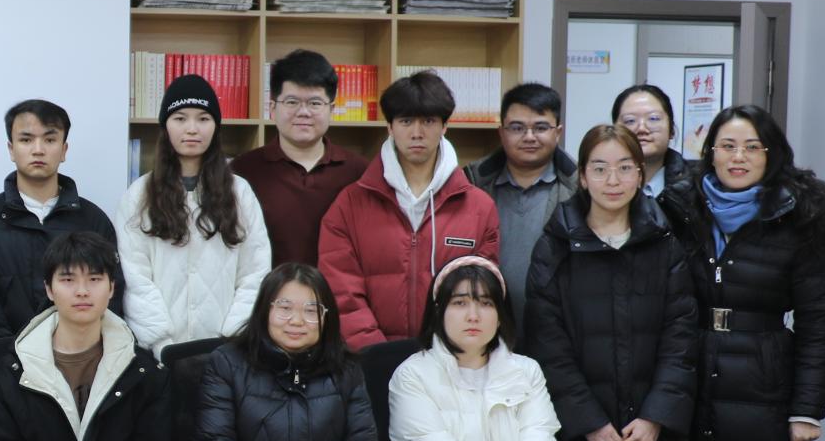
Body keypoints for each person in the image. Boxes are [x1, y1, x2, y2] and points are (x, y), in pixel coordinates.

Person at [660, 105, 825, 441]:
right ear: (710, 153)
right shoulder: (680, 210)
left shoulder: (798, 217)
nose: (738, 157)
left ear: (771, 154)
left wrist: (807, 409)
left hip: (764, 384)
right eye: (727, 146)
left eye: (752, 147)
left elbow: (818, 323)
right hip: (688, 372)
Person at [522, 125, 699, 441]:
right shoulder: (555, 245)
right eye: (600, 169)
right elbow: (547, 343)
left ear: (640, 174)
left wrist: (656, 414)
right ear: (583, 177)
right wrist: (587, 419)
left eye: (625, 168)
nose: (613, 180)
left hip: (653, 433)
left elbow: (681, 336)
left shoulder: (663, 242)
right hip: (580, 436)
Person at [320, 70, 500, 348]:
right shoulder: (350, 204)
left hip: (450, 358)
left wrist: (444, 352)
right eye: (405, 121)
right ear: (390, 127)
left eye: (428, 121)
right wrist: (377, 353)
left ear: (445, 126)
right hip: (370, 358)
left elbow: (482, 294)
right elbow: (341, 291)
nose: (417, 133)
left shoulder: (479, 207)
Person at [0, 231, 168, 441]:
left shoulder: (145, 373)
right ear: (49, 290)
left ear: (112, 288)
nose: (82, 291)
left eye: (94, 279)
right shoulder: (11, 374)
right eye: (68, 280)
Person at [116, 73, 272, 354]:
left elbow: (255, 273)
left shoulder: (239, 193)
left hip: (228, 351)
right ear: (165, 126)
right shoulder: (139, 195)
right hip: (159, 354)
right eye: (180, 118)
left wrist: (232, 340)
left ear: (215, 126)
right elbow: (135, 278)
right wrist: (161, 345)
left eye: (203, 118)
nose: (192, 128)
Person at [0, 99, 123, 343]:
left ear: (64, 149)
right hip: (4, 360)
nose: (38, 150)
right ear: (11, 149)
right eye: (26, 140)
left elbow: (110, 299)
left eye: (49, 139)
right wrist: (13, 359)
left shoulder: (93, 221)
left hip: (80, 356)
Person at [194, 263, 376, 441]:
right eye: (285, 308)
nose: (297, 321)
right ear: (264, 310)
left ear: (327, 316)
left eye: (311, 311)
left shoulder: (346, 369)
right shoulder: (227, 364)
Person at [388, 256, 562, 441]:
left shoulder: (527, 371)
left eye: (486, 303)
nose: (473, 316)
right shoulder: (413, 375)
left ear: (500, 316)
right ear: (438, 311)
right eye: (460, 303)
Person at [232, 50, 365, 270]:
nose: (303, 112)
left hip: (336, 291)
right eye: (292, 102)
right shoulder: (243, 171)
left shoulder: (359, 173)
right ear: (272, 109)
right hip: (266, 291)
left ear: (331, 109)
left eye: (315, 103)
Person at [462, 81, 576, 330]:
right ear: (501, 132)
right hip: (482, 328)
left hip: (558, 330)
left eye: (541, 127)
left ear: (558, 132)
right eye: (517, 128)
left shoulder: (580, 189)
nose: (529, 137)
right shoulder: (471, 185)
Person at [613, 83, 693, 201]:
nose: (641, 128)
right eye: (630, 120)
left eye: (653, 118)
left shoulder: (697, 183)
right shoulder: (596, 181)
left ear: (671, 129)